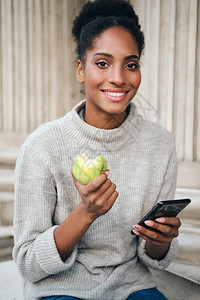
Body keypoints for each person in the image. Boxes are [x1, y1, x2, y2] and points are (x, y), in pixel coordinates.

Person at [13, 0, 181, 299]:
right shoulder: (42, 146)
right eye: (102, 63)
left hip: (132, 286)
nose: (118, 77)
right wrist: (86, 213)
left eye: (131, 64)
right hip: (61, 288)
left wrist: (161, 240)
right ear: (81, 69)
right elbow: (28, 262)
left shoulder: (160, 144)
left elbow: (151, 256)